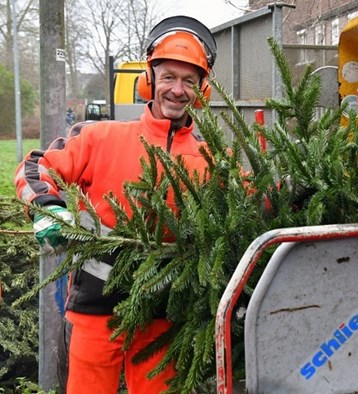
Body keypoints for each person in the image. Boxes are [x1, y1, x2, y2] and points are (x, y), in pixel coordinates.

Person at [15, 15, 217, 393]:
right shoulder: (101, 137)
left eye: (189, 81)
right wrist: (48, 209)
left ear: (201, 90)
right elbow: (35, 166)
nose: (178, 89)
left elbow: (256, 202)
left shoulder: (210, 158)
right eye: (169, 77)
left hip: (166, 311)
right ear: (150, 80)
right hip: (95, 302)